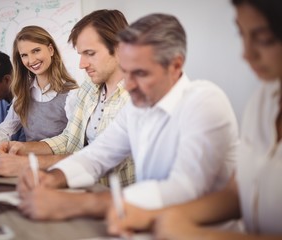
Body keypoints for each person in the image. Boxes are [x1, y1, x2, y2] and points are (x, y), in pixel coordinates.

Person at [16, 13, 239, 221]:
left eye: (140, 73)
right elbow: (98, 155)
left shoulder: (205, 101)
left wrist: (76, 203)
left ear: (176, 65)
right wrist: (53, 177)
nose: (129, 85)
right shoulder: (139, 105)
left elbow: (182, 189)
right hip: (145, 223)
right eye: (127, 72)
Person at [152, 0, 282, 239]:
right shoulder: (263, 100)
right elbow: (238, 190)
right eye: (241, 34)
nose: (246, 54)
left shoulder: (205, 98)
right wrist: (168, 216)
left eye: (264, 38)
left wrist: (197, 234)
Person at [0, 9, 135, 186]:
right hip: (82, 189)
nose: (82, 64)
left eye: (90, 53)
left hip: (116, 202)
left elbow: (104, 159)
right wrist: (24, 148)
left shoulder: (137, 99)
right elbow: (68, 139)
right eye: (81, 54)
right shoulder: (90, 89)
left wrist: (31, 163)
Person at [0, 26, 78, 152]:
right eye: (24, 55)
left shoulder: (72, 93)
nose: (31, 60)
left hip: (58, 165)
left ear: (50, 49)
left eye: (36, 51)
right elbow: (7, 128)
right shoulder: (24, 92)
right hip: (27, 163)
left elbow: (73, 141)